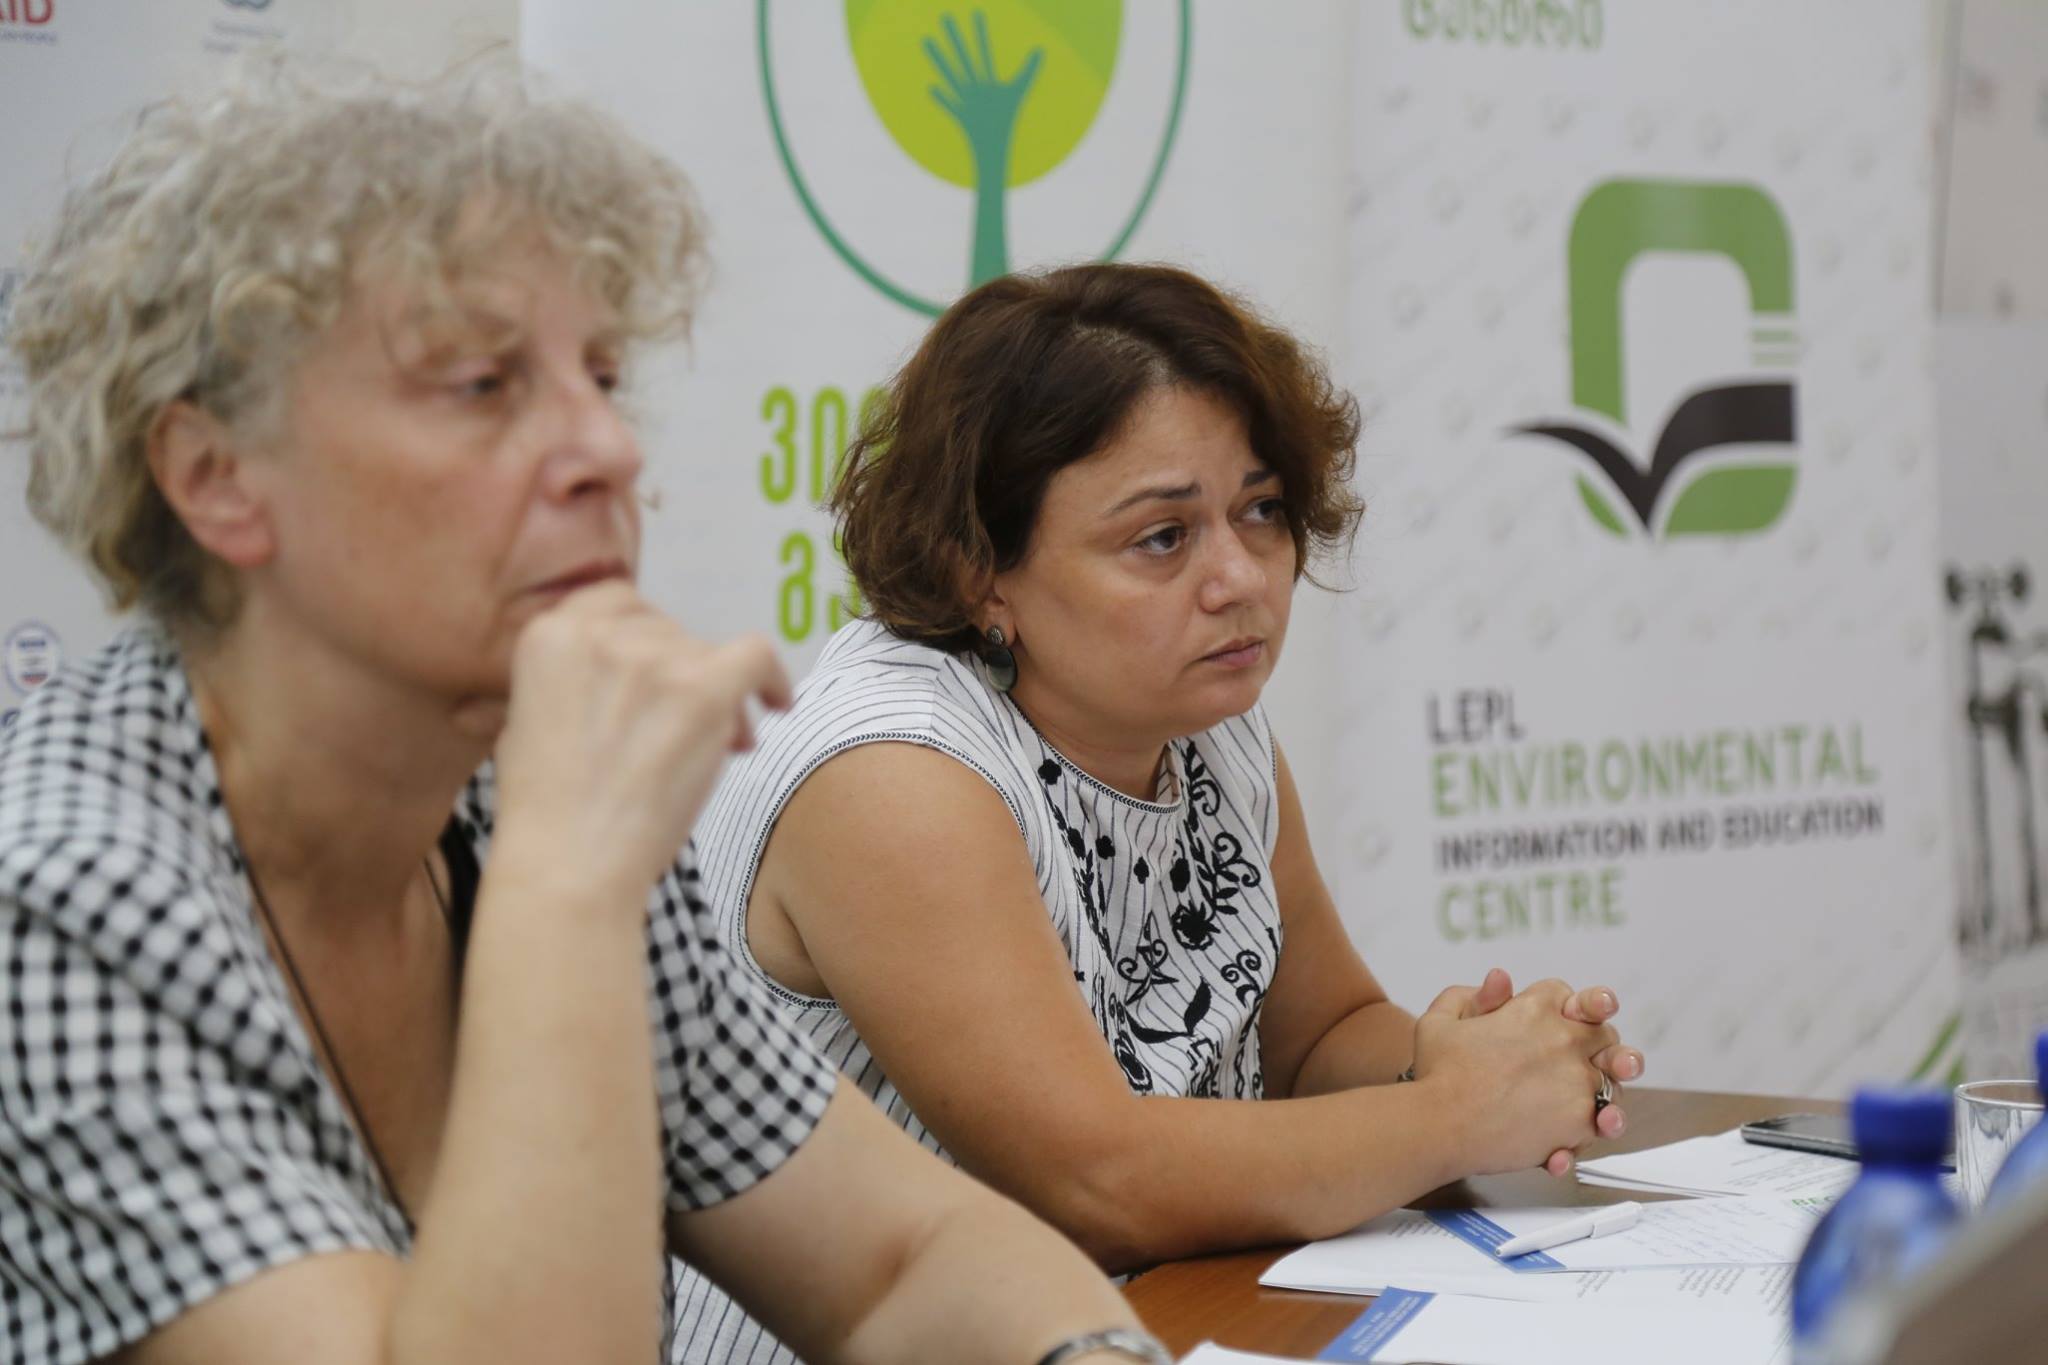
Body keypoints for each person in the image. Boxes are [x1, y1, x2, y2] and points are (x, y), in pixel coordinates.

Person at [0, 59, 1165, 1365]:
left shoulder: (518, 786)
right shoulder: (54, 897)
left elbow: (907, 1257)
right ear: (216, 476)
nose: (610, 452)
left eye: (601, 379)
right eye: (480, 385)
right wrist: (565, 881)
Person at [674, 262, 1646, 1360]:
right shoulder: (893, 770)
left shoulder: (1208, 721)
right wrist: (1457, 1116)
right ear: (979, 573)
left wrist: (1473, 1056)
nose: (1241, 578)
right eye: (1162, 538)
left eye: (1261, 511)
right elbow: (1096, 1184)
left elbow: (1317, 1039)